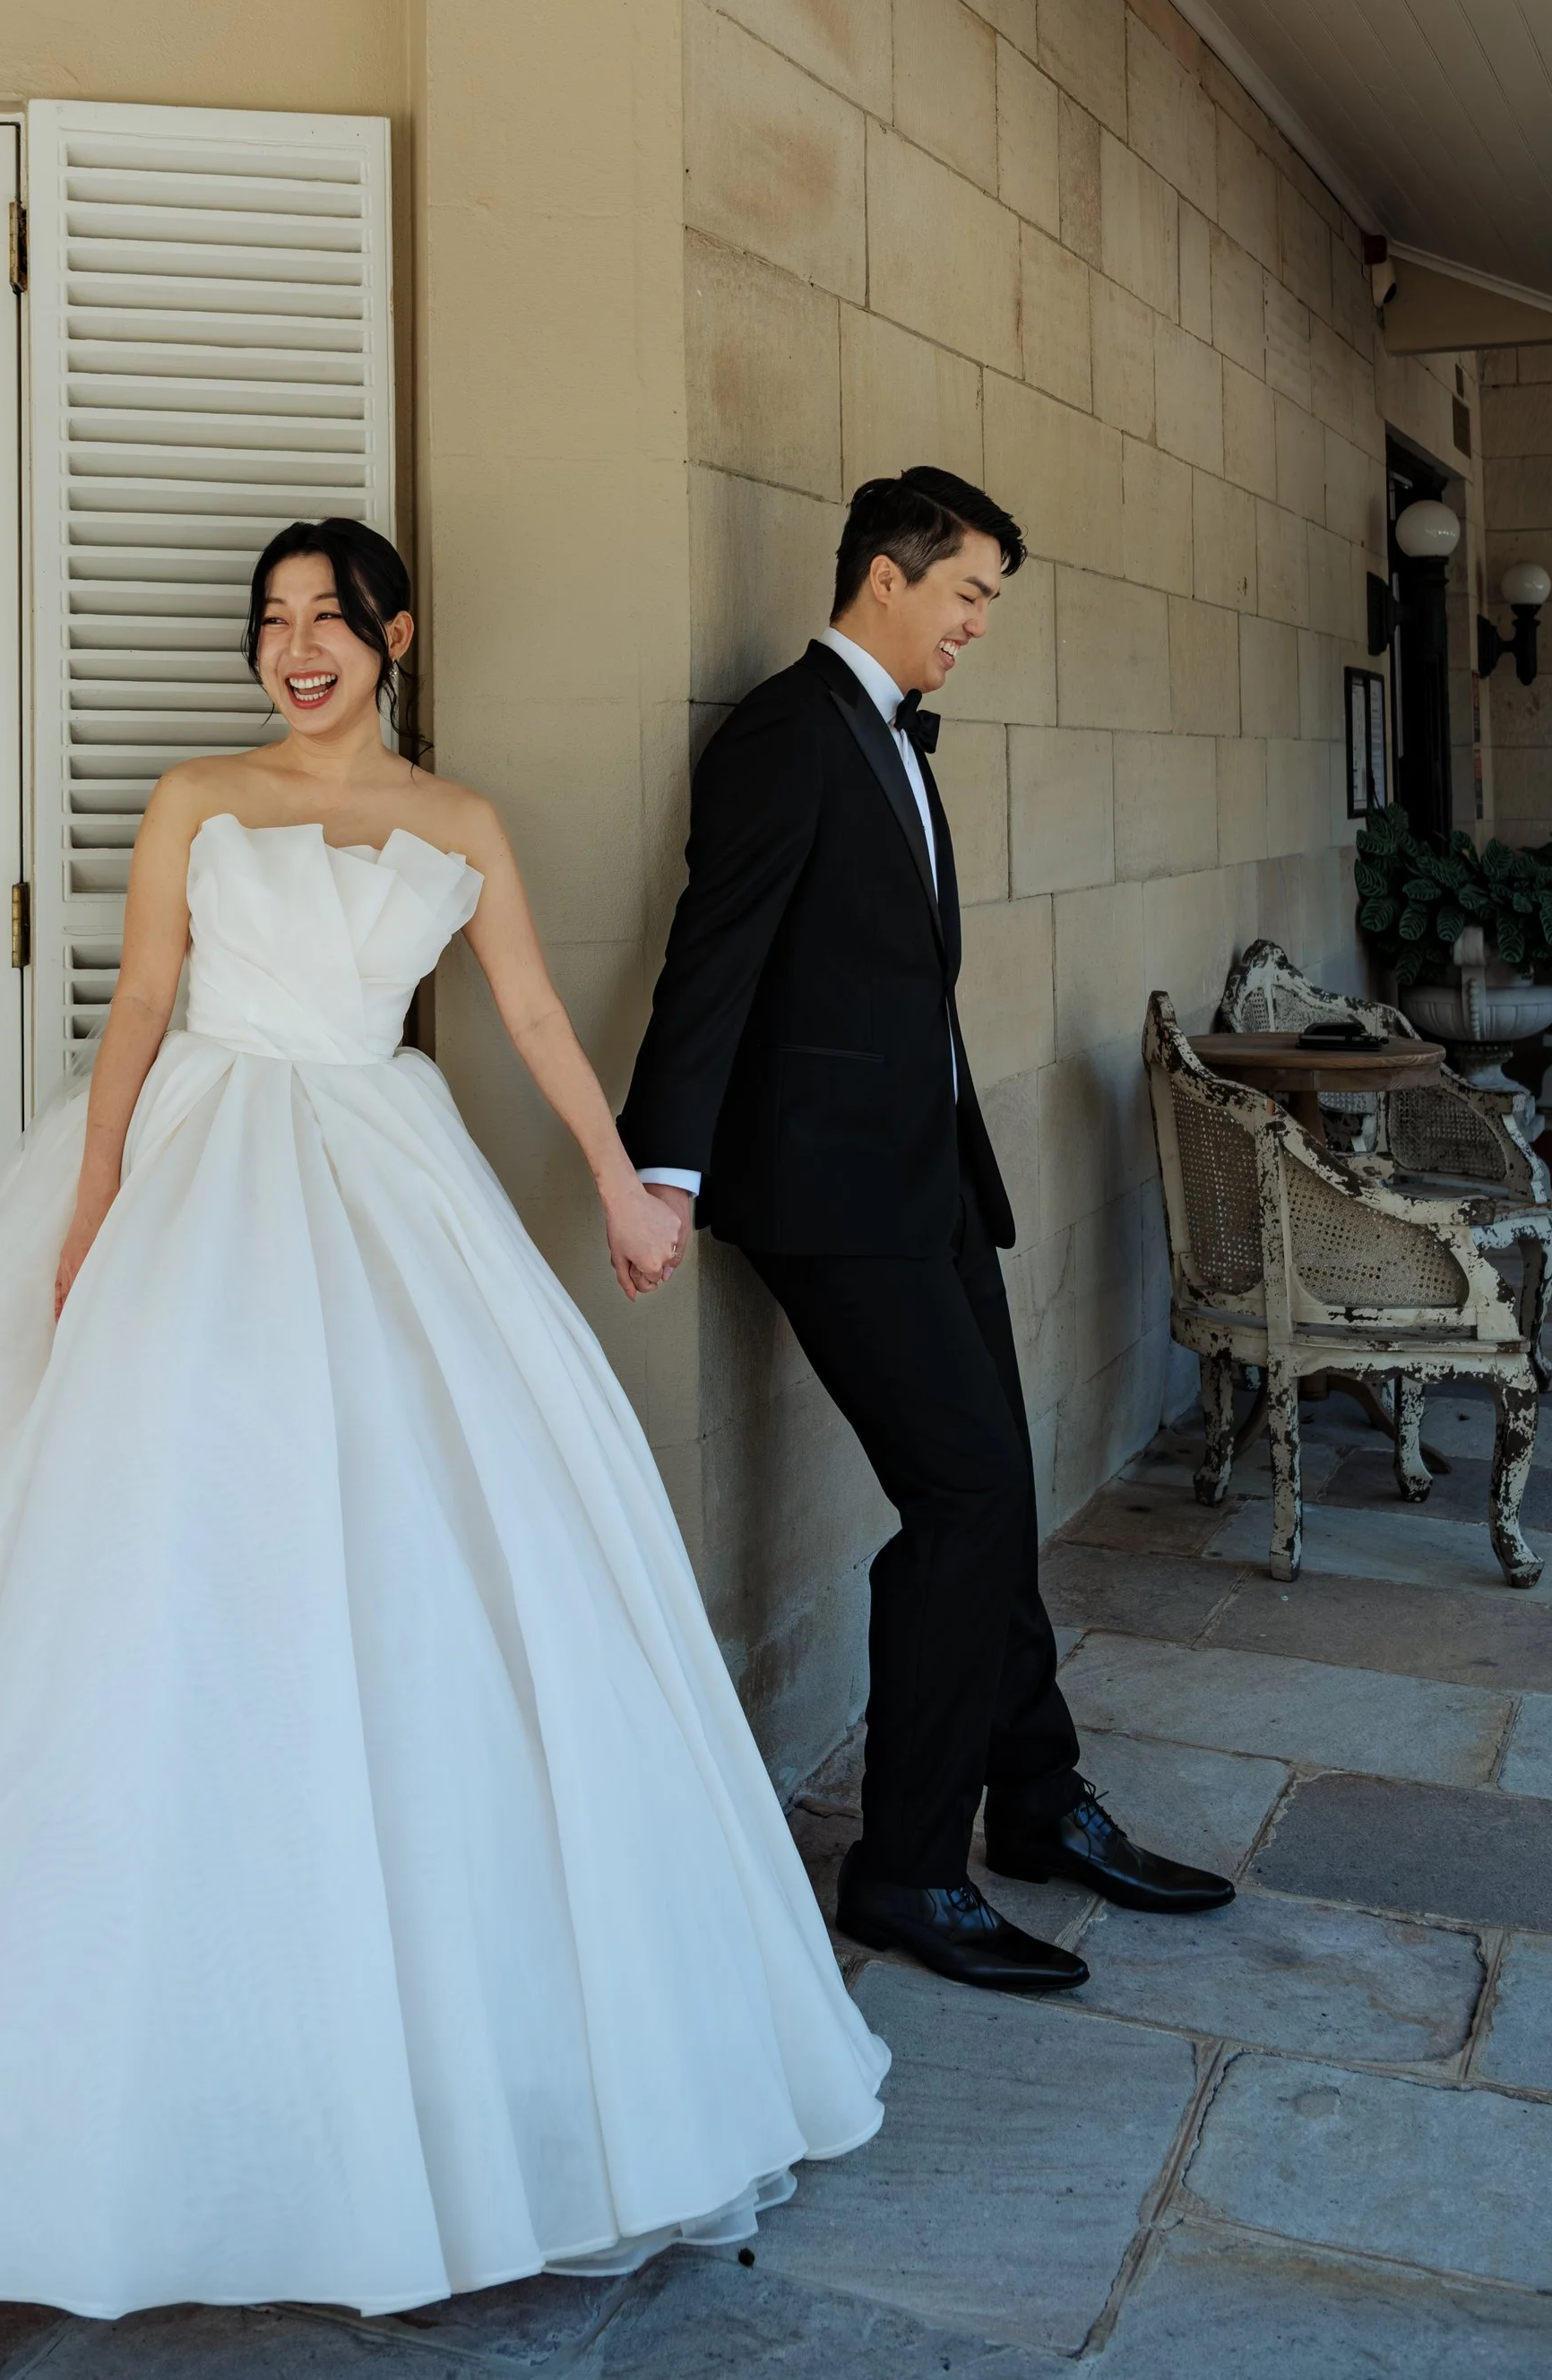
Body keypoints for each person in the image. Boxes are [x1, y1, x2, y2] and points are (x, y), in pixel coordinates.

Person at [0, 521, 887, 2320]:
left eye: (327, 619)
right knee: (137, 1562)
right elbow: (144, 1008)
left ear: (393, 633)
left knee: (412, 1576)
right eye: (270, 624)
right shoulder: (195, 796)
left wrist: (630, 1190)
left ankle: (408, 2067)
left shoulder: (460, 823)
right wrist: (88, 1217)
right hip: (197, 1173)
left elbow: (539, 1016)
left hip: (385, 1183)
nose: (294, 650)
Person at [620, 465, 1235, 1994]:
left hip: (928, 1178)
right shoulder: (784, 733)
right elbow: (714, 955)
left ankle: (1033, 1799)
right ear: (885, 576)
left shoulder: (884, 734)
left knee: (994, 1494)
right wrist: (664, 1172)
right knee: (963, 1501)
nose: (976, 624)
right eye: (966, 591)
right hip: (833, 1200)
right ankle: (901, 1871)